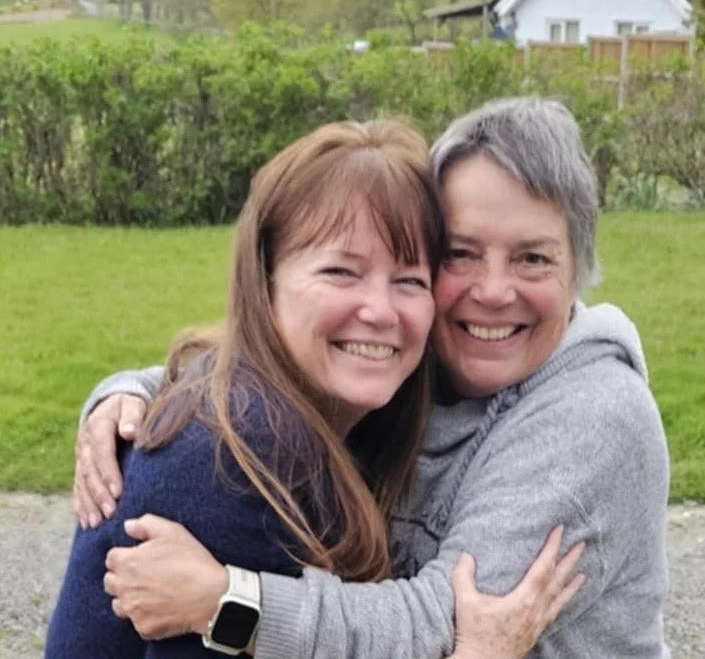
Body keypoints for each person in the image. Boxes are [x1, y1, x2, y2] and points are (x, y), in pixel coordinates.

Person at [73, 98, 670, 658]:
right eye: (460, 254)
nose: (491, 292)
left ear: (579, 274)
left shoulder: (594, 420)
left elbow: (449, 624)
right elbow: (282, 362)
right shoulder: (434, 357)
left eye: (532, 258)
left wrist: (229, 605)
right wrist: (134, 393)